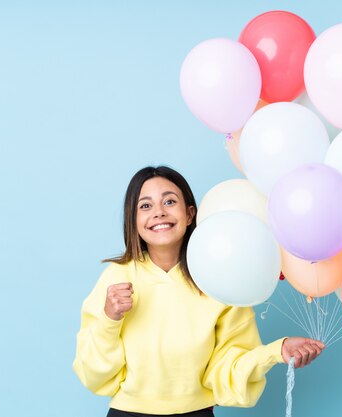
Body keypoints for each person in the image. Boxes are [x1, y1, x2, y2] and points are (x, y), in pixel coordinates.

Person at [73, 166, 325, 416]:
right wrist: (109, 319)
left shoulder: (219, 276)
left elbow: (227, 369)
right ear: (133, 219)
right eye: (145, 206)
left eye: (169, 201)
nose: (159, 213)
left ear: (190, 213)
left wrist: (276, 351)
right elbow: (93, 373)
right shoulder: (116, 278)